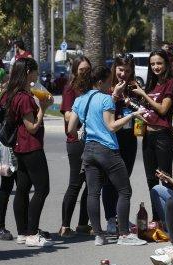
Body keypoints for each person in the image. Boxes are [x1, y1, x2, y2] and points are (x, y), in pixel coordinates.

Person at [67, 65, 147, 246]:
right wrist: (133, 114)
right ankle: (125, 235)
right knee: (124, 190)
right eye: (110, 80)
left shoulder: (81, 99)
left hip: (88, 150)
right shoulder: (105, 100)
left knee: (93, 193)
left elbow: (71, 129)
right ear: (101, 82)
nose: (112, 83)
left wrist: (86, 129)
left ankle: (99, 235)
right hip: (107, 149)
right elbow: (111, 126)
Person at [0, 57, 54, 247]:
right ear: (28, 72)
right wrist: (43, 109)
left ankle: (23, 232)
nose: (37, 75)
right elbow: (32, 127)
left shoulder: (13, 93)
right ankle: (31, 232)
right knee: (42, 188)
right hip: (31, 146)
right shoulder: (24, 98)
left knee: (22, 188)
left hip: (19, 147)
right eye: (35, 71)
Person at [131, 49, 173, 224]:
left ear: (166, 64)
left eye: (159, 63)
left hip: (163, 137)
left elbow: (162, 109)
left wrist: (143, 94)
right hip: (147, 137)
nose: (156, 67)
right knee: (151, 179)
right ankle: (157, 218)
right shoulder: (151, 84)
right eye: (152, 64)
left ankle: (172, 220)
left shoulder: (171, 83)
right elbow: (147, 110)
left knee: (164, 178)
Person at [102, 53, 139, 234]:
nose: (123, 74)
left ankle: (121, 216)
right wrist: (116, 96)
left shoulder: (133, 87)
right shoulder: (108, 88)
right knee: (110, 181)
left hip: (129, 138)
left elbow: (140, 108)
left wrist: (132, 101)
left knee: (124, 180)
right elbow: (103, 110)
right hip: (111, 138)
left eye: (126, 70)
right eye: (120, 70)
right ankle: (111, 219)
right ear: (114, 69)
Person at [59, 56, 92, 238]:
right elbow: (67, 116)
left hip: (92, 141)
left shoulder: (91, 89)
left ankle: (82, 223)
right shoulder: (71, 89)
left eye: (88, 69)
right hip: (76, 142)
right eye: (81, 70)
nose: (85, 73)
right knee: (75, 183)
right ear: (75, 71)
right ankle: (65, 225)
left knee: (91, 183)